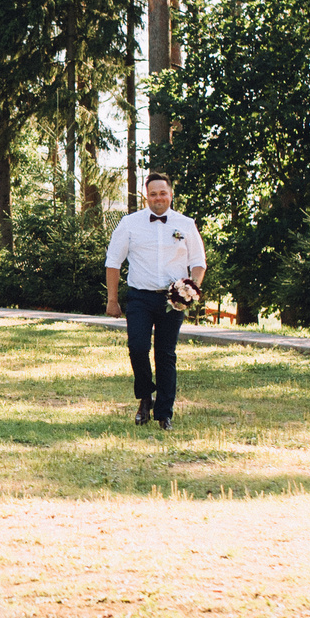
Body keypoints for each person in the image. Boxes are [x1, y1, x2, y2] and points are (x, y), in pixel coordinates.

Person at [103, 173, 206, 429]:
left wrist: (190, 290)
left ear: (170, 194)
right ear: (145, 196)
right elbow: (113, 262)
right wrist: (112, 300)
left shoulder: (185, 224)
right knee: (137, 348)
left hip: (173, 300)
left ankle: (164, 414)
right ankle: (145, 397)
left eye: (162, 193)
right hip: (140, 296)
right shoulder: (130, 223)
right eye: (153, 194)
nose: (158, 198)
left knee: (166, 354)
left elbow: (198, 262)